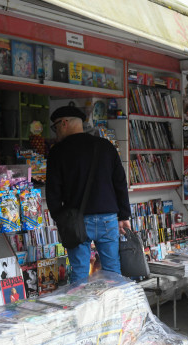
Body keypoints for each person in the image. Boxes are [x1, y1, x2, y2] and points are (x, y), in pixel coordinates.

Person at [46, 103, 131, 282]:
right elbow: (120, 183)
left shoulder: (58, 152)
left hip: (77, 220)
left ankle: (83, 308)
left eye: (55, 127)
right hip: (108, 218)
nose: (56, 132)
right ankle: (116, 308)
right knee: (112, 270)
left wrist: (59, 217)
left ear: (64, 123)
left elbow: (53, 190)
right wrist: (124, 215)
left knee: (79, 272)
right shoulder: (105, 146)